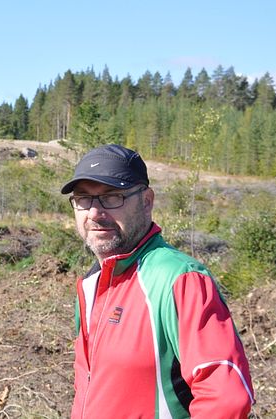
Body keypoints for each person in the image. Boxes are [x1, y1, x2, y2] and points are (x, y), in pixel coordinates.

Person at [62, 144, 254, 418]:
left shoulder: (180, 279)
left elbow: (227, 398)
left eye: (111, 197)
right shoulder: (91, 283)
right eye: (83, 199)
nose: (94, 212)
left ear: (147, 200)